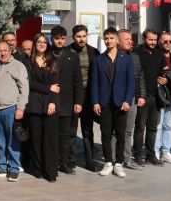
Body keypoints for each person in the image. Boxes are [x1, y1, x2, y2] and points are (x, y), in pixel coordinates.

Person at [91, 27, 135, 178]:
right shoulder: (98, 60)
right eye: (106, 38)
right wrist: (95, 101)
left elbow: (131, 83)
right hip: (104, 103)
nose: (108, 41)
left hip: (121, 102)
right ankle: (108, 162)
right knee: (105, 134)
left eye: (111, 38)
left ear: (117, 40)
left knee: (121, 134)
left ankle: (119, 163)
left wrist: (128, 100)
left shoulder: (127, 59)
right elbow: (94, 83)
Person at [0, 42, 28, 181]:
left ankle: (14, 168)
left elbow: (24, 88)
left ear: (10, 51)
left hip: (10, 109)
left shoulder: (18, 66)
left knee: (12, 141)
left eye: (5, 50)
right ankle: (2, 167)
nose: (2, 53)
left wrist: (20, 108)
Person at [26, 33, 59, 183]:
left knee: (50, 140)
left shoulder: (52, 61)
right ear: (34, 44)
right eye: (39, 42)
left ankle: (50, 171)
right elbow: (29, 83)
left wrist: (53, 101)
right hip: (34, 104)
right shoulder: (28, 62)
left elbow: (56, 86)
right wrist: (48, 88)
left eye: (44, 42)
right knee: (36, 139)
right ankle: (37, 169)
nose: (41, 44)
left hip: (49, 105)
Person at [49, 26, 83, 175]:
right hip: (49, 101)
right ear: (52, 39)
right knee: (51, 133)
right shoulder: (46, 55)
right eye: (57, 38)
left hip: (67, 102)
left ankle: (65, 162)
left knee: (66, 135)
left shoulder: (72, 56)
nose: (60, 41)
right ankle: (52, 161)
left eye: (62, 38)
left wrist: (78, 102)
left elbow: (77, 81)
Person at [68, 24, 100, 171]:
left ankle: (89, 160)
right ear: (73, 37)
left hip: (88, 96)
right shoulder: (67, 51)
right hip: (72, 97)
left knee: (87, 131)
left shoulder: (94, 52)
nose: (81, 39)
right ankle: (71, 161)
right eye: (78, 36)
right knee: (71, 131)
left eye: (84, 36)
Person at [113, 29, 147, 171]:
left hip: (132, 99)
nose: (130, 41)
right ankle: (114, 160)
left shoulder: (134, 57)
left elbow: (139, 77)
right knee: (115, 131)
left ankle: (126, 159)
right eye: (126, 39)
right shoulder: (112, 57)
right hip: (116, 100)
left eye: (130, 39)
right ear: (118, 41)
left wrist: (141, 96)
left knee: (128, 131)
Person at [132, 29, 167, 166]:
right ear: (144, 38)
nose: (152, 42)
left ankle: (151, 155)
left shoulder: (159, 54)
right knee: (140, 127)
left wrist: (165, 79)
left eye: (154, 40)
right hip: (142, 96)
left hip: (156, 96)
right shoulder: (136, 53)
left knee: (153, 128)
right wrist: (138, 95)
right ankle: (137, 155)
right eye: (150, 40)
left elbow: (165, 71)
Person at [154, 31, 171, 164]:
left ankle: (166, 152)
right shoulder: (156, 57)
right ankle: (156, 151)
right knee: (158, 125)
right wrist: (156, 79)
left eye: (170, 41)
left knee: (168, 126)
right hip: (159, 96)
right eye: (165, 41)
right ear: (160, 43)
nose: (168, 44)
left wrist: (169, 81)